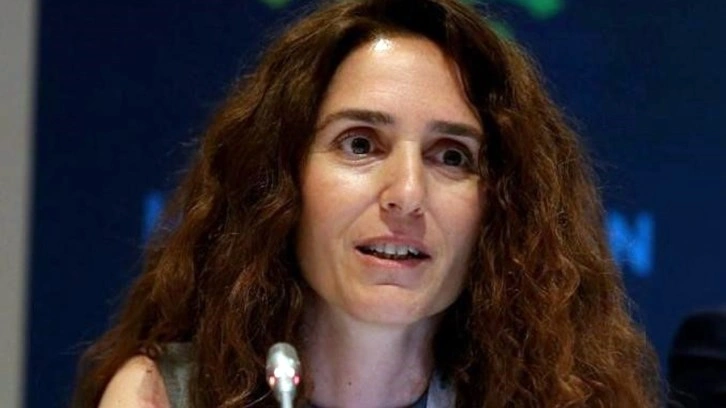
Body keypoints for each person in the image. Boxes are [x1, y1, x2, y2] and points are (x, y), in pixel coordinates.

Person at [73, 0, 662, 406]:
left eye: (451, 156)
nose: (406, 194)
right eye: (360, 144)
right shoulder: (161, 397)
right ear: (280, 181)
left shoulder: (556, 400)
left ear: (499, 208)